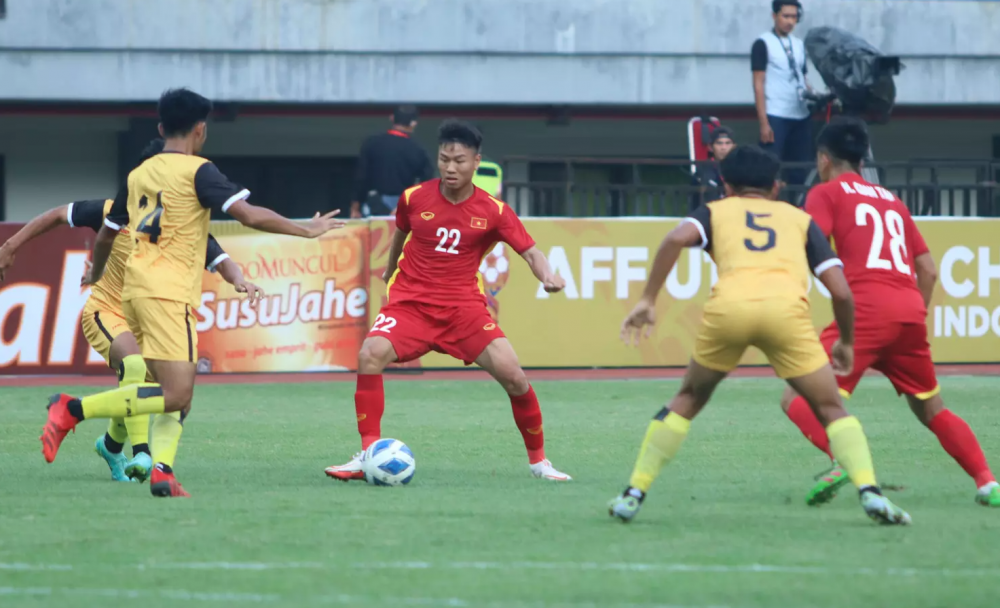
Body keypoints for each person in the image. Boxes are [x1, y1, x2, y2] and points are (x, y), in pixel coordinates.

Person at [40, 88, 345, 497]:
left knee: (174, 392)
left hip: (135, 292)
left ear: (162, 127)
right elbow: (249, 214)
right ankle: (73, 409)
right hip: (168, 293)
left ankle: (162, 470)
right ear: (201, 129)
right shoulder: (199, 171)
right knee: (176, 392)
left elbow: (107, 235)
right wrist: (306, 229)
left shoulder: (138, 174)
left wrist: (95, 271)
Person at [607, 145, 910, 525]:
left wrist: (648, 299)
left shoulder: (716, 211)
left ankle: (634, 493)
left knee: (688, 397)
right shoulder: (799, 219)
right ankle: (870, 492)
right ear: (777, 187)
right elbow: (842, 291)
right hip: (787, 315)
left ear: (725, 186)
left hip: (729, 311)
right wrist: (846, 342)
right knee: (831, 408)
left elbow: (674, 239)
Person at [1, 139, 263, 483]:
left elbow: (218, 256)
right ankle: (142, 454)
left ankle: (112, 444)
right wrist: (9, 247)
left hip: (151, 318)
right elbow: (55, 216)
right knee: (135, 365)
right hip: (105, 313)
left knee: (171, 397)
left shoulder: (180, 226)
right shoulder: (112, 212)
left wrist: (241, 279)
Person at [325, 120, 572, 482]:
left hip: (463, 311)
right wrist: (391, 269)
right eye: (444, 159)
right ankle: (367, 455)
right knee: (370, 355)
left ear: (476, 162)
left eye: (459, 160)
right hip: (411, 305)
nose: (451, 168)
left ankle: (539, 463)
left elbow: (531, 252)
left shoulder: (494, 211)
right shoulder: (414, 197)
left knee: (515, 377)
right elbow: (401, 235)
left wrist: (548, 276)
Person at [781, 117, 1000, 508]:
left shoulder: (826, 192)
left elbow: (812, 243)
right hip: (909, 310)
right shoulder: (892, 201)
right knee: (932, 408)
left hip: (864, 308)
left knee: (797, 397)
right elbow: (929, 269)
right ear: (863, 161)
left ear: (823, 159)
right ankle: (987, 481)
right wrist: (913, 314)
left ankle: (842, 460)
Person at [751, 0, 813, 188]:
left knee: (801, 167)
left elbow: (802, 77)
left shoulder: (799, 44)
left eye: (794, 17)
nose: (790, 21)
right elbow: (758, 83)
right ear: (774, 16)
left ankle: (797, 205)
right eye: (786, 16)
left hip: (800, 113)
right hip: (776, 113)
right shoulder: (763, 43)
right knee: (770, 165)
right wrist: (764, 122)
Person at [350, 105, 435, 218]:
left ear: (391, 118)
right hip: (403, 207)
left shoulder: (371, 143)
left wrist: (355, 208)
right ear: (413, 123)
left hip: (374, 205)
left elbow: (361, 178)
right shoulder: (418, 150)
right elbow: (428, 183)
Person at [691, 127, 736, 209]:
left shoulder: (740, 167)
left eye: (728, 143)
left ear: (734, 146)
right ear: (710, 147)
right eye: (719, 143)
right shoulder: (703, 170)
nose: (724, 147)